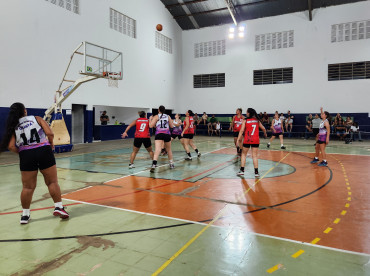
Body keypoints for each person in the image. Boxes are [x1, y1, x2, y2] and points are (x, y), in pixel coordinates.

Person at [0, 103, 69, 224]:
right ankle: (59, 207)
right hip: (44, 151)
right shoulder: (37, 118)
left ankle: (25, 215)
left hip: (26, 155)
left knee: (27, 187)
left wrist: (23, 153)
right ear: (25, 111)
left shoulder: (13, 126)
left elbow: (11, 146)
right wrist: (51, 143)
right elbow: (50, 133)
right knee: (52, 182)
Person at [237, 108, 267, 177]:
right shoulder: (257, 120)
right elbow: (264, 129)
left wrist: (238, 140)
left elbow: (241, 131)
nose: (246, 113)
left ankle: (242, 170)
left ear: (249, 113)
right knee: (255, 156)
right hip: (255, 140)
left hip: (247, 139)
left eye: (247, 112)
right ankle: (256, 172)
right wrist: (265, 134)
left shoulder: (245, 120)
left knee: (243, 154)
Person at [149, 106, 174, 172]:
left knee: (157, 150)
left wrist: (150, 119)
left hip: (159, 134)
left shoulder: (156, 116)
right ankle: (171, 164)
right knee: (169, 150)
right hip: (167, 134)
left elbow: (151, 126)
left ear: (158, 110)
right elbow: (171, 126)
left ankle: (154, 165)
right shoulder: (168, 116)